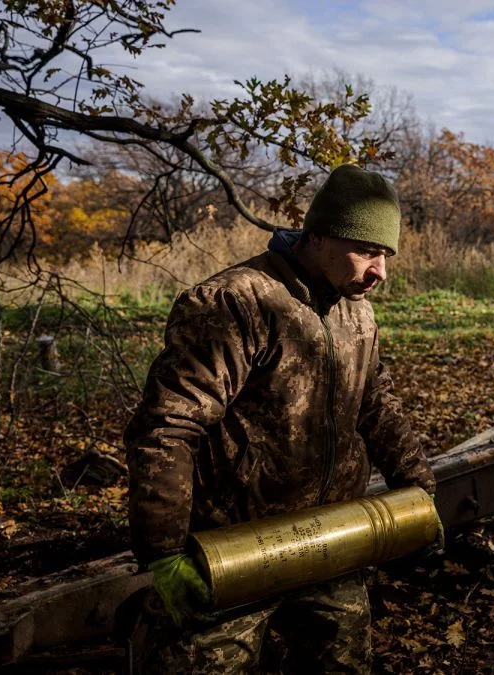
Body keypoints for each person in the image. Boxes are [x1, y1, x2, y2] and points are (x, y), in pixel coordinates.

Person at [125, 164, 436, 673]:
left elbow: (375, 404)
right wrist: (163, 552)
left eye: (386, 255)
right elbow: (167, 428)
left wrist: (420, 490)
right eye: (368, 251)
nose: (381, 272)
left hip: (334, 539)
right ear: (316, 236)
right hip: (237, 553)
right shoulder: (237, 302)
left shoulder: (356, 311)